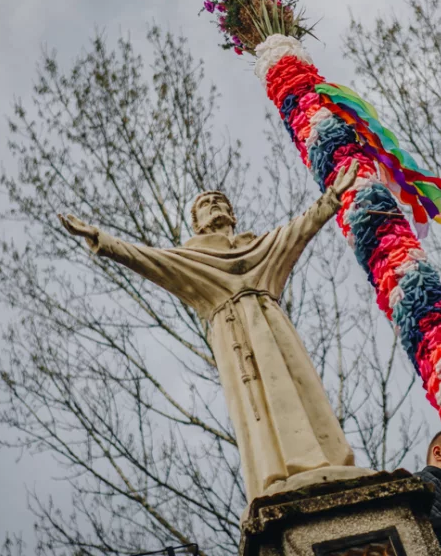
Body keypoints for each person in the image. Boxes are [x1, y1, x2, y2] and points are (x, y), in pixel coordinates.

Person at [58, 161, 370, 501]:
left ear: (232, 214)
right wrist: (99, 238)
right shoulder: (194, 261)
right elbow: (148, 259)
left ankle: (331, 460)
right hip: (238, 339)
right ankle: (281, 472)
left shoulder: (261, 248)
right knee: (260, 409)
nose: (216, 205)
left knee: (302, 388)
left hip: (276, 331)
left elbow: (297, 229)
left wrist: (331, 198)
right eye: (206, 204)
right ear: (196, 222)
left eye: (221, 201)